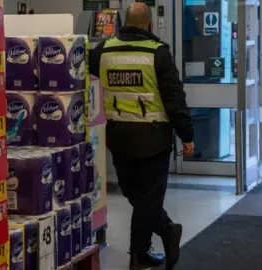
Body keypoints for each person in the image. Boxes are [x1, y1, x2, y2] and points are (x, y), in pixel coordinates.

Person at [89, 3, 195, 270]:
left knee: (134, 193)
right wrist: (187, 135)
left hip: (118, 137)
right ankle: (161, 235)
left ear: (124, 22)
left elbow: (85, 71)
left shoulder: (103, 50)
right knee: (147, 197)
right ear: (150, 25)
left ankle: (144, 252)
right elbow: (174, 97)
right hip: (153, 138)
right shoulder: (158, 53)